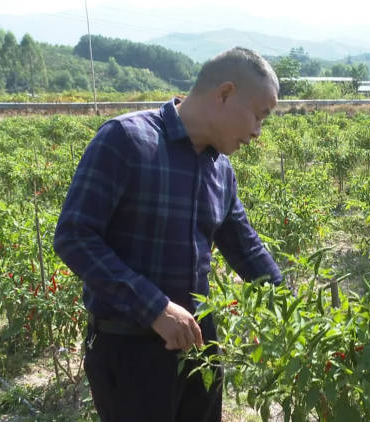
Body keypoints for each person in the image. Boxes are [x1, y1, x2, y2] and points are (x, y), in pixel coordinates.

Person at [53, 47, 282, 422]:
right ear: (224, 94)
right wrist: (155, 307)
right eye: (258, 116)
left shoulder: (220, 168)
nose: (258, 132)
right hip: (131, 346)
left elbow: (246, 247)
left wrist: (294, 309)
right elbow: (74, 235)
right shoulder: (125, 141)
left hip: (199, 342)